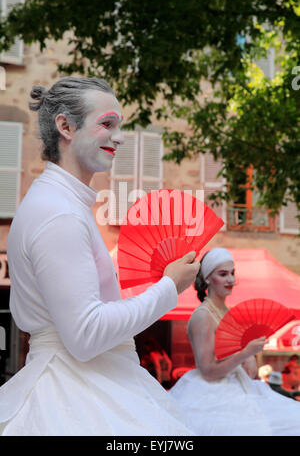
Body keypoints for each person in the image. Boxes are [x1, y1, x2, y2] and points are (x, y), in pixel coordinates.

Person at [0, 76, 200, 436]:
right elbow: (86, 334)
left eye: (119, 126)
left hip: (83, 382)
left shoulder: (62, 205)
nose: (119, 137)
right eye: (107, 124)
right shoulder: (58, 213)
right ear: (66, 126)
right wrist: (170, 287)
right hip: (74, 393)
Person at [169, 247, 300, 436]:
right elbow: (208, 372)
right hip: (212, 395)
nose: (230, 279)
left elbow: (250, 372)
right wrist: (245, 353)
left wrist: (250, 355)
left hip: (241, 387)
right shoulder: (203, 317)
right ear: (207, 278)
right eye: (223, 274)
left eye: (232, 273)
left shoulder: (229, 314)